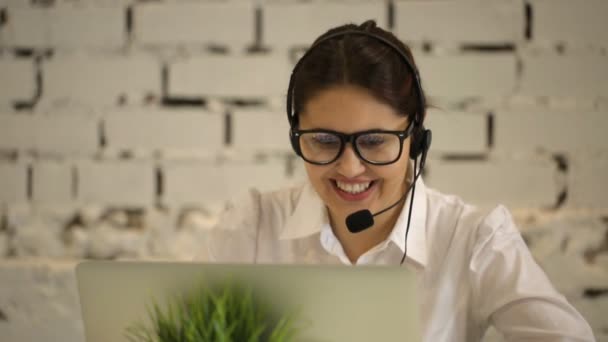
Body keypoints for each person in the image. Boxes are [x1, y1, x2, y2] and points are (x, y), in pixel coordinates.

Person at [196, 20, 595, 341]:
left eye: (374, 141)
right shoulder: (253, 226)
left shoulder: (473, 239)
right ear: (296, 136)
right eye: (323, 140)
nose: (350, 168)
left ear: (415, 140)